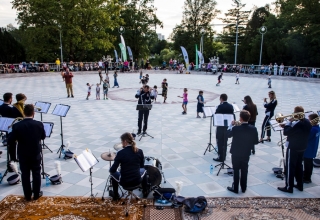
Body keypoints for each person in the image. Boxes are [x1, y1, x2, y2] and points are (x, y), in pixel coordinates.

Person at [8, 104, 46, 201]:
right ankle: (37, 194)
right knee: (36, 173)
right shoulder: (39, 124)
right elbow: (43, 137)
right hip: (35, 152)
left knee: (25, 175)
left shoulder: (17, 125)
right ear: (33, 113)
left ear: (24, 113)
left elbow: (11, 140)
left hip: (23, 153)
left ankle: (27, 196)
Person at [278, 106, 312, 193]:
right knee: (299, 166)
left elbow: (286, 132)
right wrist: (290, 125)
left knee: (290, 167)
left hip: (293, 147)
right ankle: (300, 185)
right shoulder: (308, 122)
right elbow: (296, 131)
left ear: (296, 113)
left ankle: (289, 187)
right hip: (302, 147)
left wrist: (289, 123)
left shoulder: (297, 124)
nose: (292, 114)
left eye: (294, 112)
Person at [226, 110, 259, 194]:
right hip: (246, 152)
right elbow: (255, 142)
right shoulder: (253, 128)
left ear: (240, 118)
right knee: (244, 170)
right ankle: (243, 187)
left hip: (236, 152)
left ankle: (235, 188)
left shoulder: (236, 128)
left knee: (236, 169)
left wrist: (230, 125)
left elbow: (228, 134)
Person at [109, 133, 148, 200]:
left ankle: (116, 195)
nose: (121, 143)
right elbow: (142, 166)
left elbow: (113, 170)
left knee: (113, 175)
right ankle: (145, 191)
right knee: (144, 171)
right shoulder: (140, 151)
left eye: (121, 141)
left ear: (125, 141)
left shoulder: (120, 153)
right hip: (137, 180)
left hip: (124, 182)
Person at [213, 94, 234, 162]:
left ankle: (220, 157)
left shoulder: (220, 106)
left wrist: (219, 105)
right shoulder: (230, 106)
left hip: (221, 126)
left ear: (221, 98)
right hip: (227, 126)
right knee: (225, 141)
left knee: (220, 141)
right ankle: (224, 155)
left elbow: (216, 114)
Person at [303, 113, 320, 184]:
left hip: (308, 149)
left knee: (307, 164)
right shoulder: (317, 128)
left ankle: (307, 178)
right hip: (313, 148)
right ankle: (307, 176)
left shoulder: (312, 130)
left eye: (309, 120)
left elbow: (306, 137)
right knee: (309, 163)